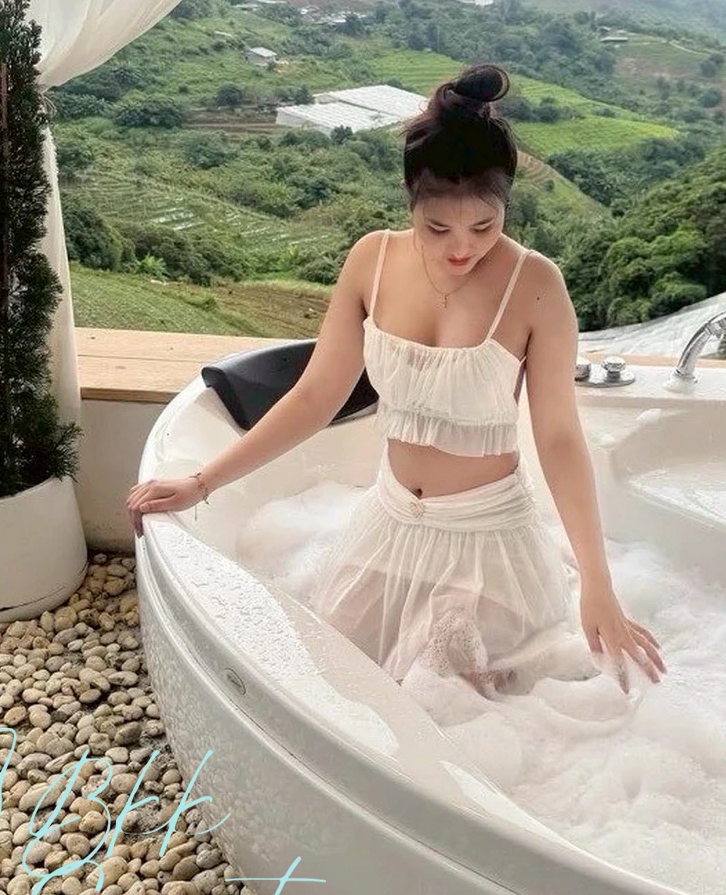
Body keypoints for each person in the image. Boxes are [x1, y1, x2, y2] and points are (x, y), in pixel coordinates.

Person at [127, 63, 665, 698]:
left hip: (486, 544)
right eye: (437, 228)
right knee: (342, 691)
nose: (461, 249)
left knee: (468, 711)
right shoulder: (372, 259)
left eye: (484, 227)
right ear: (411, 201)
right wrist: (201, 482)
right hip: (387, 526)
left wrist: (599, 583)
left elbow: (559, 438)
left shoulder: (536, 285)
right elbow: (316, 395)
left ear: (506, 206)